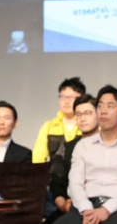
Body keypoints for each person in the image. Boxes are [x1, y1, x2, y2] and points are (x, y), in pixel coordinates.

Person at [54, 85, 117, 224]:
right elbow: (75, 184)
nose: (103, 111)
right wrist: (86, 209)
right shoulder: (82, 146)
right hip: (84, 208)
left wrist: (106, 209)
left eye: (110, 106)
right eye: (100, 106)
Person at [48, 94, 99, 224]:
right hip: (71, 206)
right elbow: (56, 180)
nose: (82, 118)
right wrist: (63, 204)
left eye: (87, 113)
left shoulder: (109, 145)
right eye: (78, 114)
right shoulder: (67, 147)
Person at [33, 77, 86, 163]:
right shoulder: (49, 126)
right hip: (55, 171)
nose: (66, 101)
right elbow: (38, 160)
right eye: (63, 97)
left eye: (71, 97)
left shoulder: (92, 126)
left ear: (82, 99)